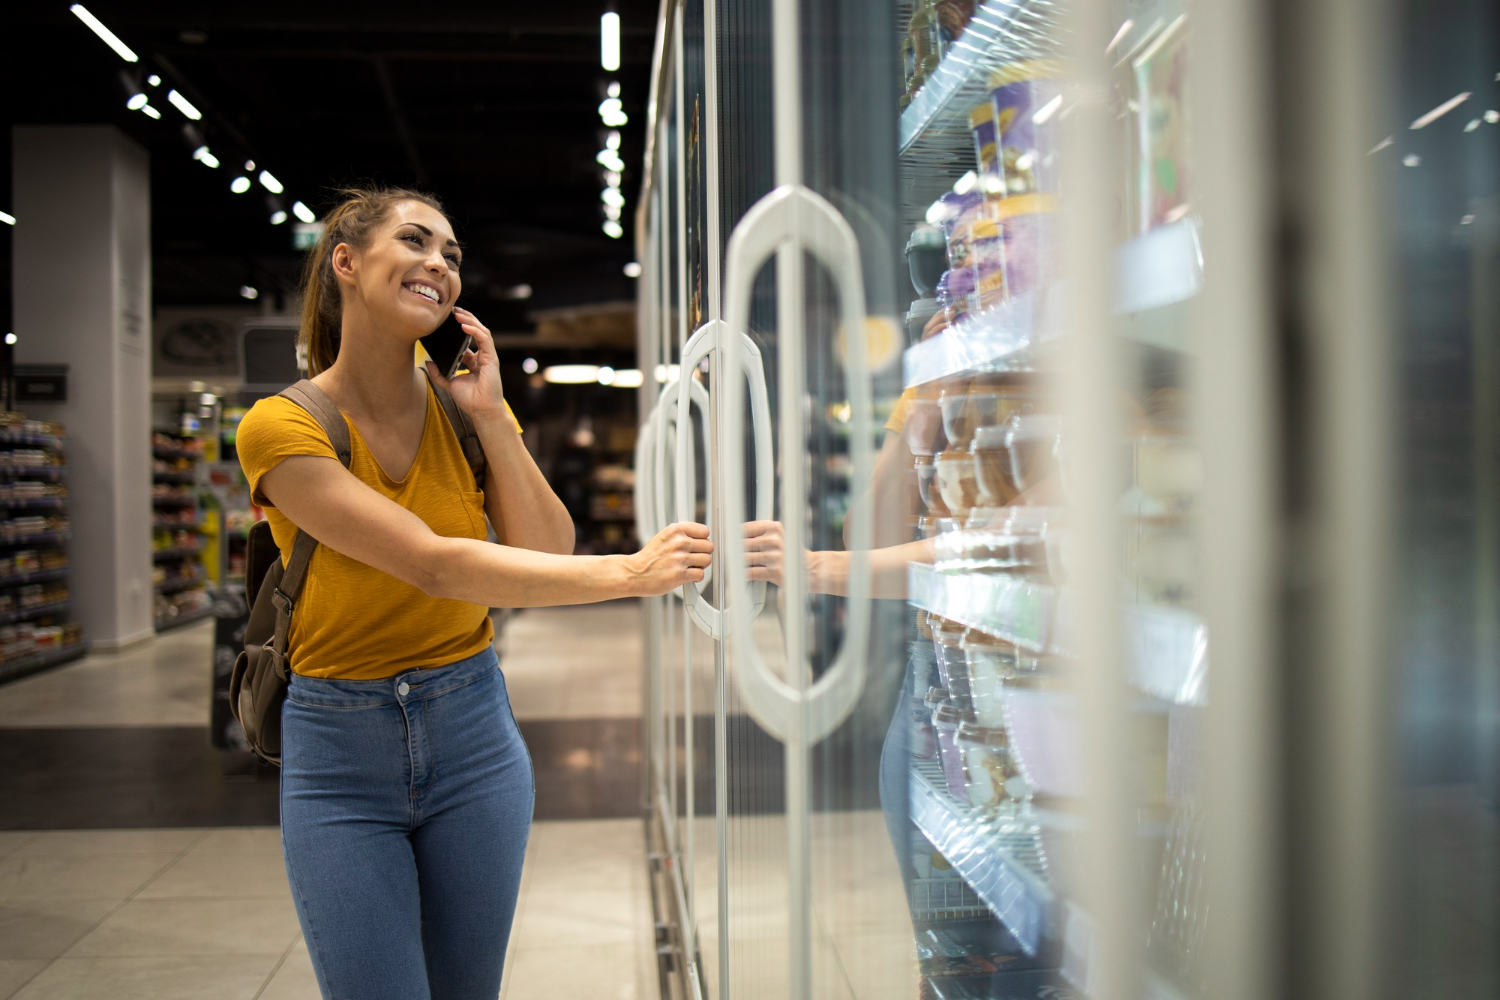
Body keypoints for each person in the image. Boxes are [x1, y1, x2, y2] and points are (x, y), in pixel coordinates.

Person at [235, 186, 711, 1000]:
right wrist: (629, 573)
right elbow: (429, 563)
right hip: (340, 748)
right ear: (345, 263)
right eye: (416, 242)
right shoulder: (282, 427)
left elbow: (544, 545)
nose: (438, 265)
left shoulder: (461, 414)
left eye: (451, 255)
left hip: (473, 732)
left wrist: (490, 417)